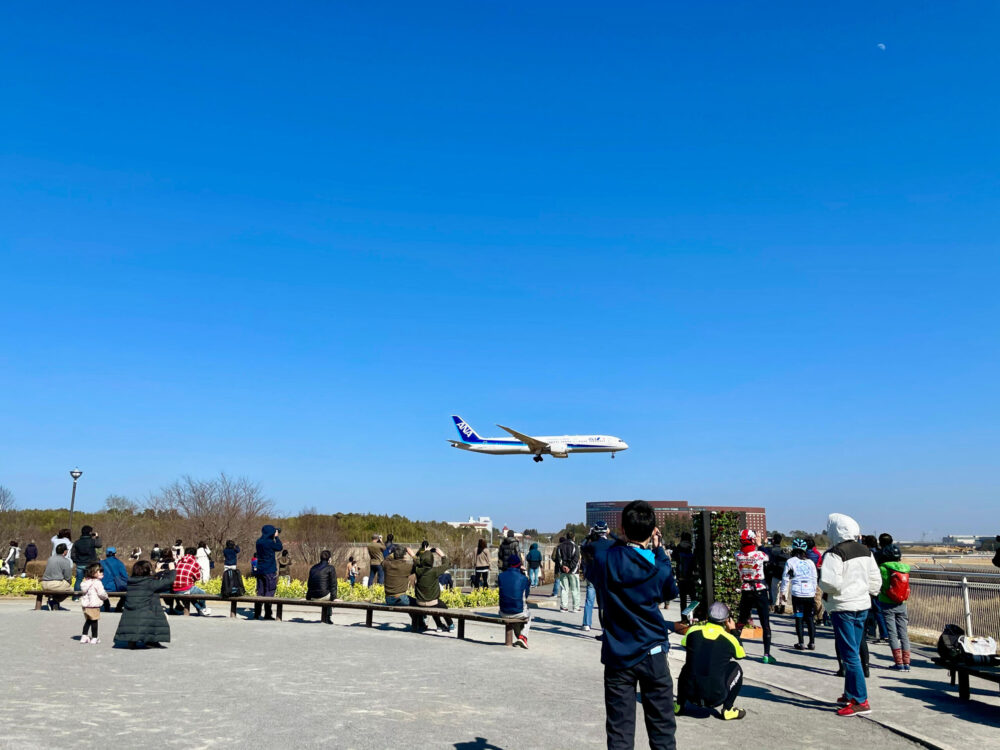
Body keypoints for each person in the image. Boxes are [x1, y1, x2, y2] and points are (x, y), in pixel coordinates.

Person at [591, 500, 678, 750]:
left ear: (621, 527)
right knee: (662, 730)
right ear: (652, 532)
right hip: (653, 654)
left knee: (619, 731)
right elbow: (668, 590)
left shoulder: (605, 559)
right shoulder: (658, 567)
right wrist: (659, 549)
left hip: (618, 655)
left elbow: (596, 548)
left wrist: (621, 538)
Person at [818, 513, 882, 717]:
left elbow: (830, 583)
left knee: (850, 654)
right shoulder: (866, 551)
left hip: (843, 606)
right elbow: (875, 581)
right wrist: (866, 593)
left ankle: (860, 700)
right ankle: (850, 693)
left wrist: (824, 587)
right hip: (862, 605)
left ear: (835, 531)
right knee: (853, 649)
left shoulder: (835, 553)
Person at [675, 602, 747, 721]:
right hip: (716, 698)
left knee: (687, 666)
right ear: (726, 620)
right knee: (736, 667)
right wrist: (733, 630)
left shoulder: (693, 631)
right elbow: (741, 655)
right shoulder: (730, 639)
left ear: (707, 617)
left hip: (690, 694)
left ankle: (679, 705)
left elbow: (684, 644)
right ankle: (728, 709)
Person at [734, 529, 776, 664]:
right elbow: (769, 557)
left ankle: (738, 649)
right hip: (759, 589)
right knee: (765, 623)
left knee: (741, 620)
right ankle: (766, 654)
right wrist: (760, 544)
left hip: (746, 589)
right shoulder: (760, 555)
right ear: (753, 540)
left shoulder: (737, 555)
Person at [114, 560, 176, 649]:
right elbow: (169, 581)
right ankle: (151, 640)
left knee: (151, 600)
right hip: (146, 613)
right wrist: (172, 570)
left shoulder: (131, 582)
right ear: (148, 571)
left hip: (129, 614)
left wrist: (156, 572)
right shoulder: (150, 583)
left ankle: (132, 640)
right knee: (156, 611)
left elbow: (146, 581)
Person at [877, 538, 912, 671]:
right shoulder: (906, 568)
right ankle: (907, 663)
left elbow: (883, 585)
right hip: (902, 602)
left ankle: (898, 663)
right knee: (903, 633)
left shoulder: (883, 568)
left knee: (892, 633)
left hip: (887, 603)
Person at [781, 539, 818, 650]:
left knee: (799, 618)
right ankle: (812, 643)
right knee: (810, 618)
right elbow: (814, 578)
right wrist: (814, 591)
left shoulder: (791, 561)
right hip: (809, 593)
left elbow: (785, 578)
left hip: (797, 593)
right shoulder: (810, 562)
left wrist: (783, 592)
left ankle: (801, 642)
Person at [383, 546, 424, 631]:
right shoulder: (406, 567)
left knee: (410, 603)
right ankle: (420, 624)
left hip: (388, 599)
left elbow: (385, 560)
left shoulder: (387, 565)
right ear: (404, 556)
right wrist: (412, 554)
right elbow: (420, 564)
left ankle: (419, 623)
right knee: (416, 603)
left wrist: (394, 553)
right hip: (400, 599)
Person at [414, 547, 453, 632]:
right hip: (432, 602)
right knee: (442, 606)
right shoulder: (435, 571)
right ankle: (451, 625)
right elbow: (446, 565)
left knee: (435, 606)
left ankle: (439, 625)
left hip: (419, 602)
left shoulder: (417, 570)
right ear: (431, 561)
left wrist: (424, 552)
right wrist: (442, 555)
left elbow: (416, 560)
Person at [498, 553, 531, 648]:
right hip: (518, 611)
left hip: (503, 611)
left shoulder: (501, 576)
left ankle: (520, 638)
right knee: (529, 615)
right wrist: (525, 575)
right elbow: (526, 595)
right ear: (519, 565)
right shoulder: (523, 578)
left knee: (515, 616)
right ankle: (523, 637)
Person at [253, 525, 282, 620]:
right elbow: (279, 547)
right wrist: (277, 537)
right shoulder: (270, 542)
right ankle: (268, 614)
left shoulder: (259, 542)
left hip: (260, 570)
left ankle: (257, 614)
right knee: (269, 591)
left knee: (260, 592)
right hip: (269, 570)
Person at [863, 535, 889, 643]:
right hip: (882, 584)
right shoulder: (881, 551)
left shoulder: (870, 554)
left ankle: (879, 633)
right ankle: (883, 633)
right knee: (880, 610)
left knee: (874, 610)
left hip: (872, 585)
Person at [173, 547, 211, 616]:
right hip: (185, 588)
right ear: (194, 554)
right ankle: (203, 608)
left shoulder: (179, 562)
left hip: (176, 589)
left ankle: (200, 609)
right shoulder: (195, 564)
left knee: (191, 596)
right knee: (203, 593)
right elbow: (198, 577)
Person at [306, 550, 339, 624]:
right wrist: (334, 598)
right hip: (324, 596)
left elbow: (309, 584)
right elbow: (333, 584)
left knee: (326, 591)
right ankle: (328, 617)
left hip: (313, 596)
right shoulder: (331, 568)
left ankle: (326, 617)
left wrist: (308, 597)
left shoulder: (313, 568)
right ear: (329, 559)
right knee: (329, 594)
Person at [79, 563, 108, 644]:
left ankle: (84, 636)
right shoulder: (97, 583)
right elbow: (101, 593)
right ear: (93, 572)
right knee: (94, 621)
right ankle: (95, 637)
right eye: (100, 571)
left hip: (85, 605)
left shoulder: (85, 582)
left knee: (88, 621)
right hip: (94, 605)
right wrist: (105, 597)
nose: (102, 572)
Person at [70, 526, 103, 593]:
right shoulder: (92, 541)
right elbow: (99, 544)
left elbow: (72, 554)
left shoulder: (77, 542)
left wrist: (76, 561)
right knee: (91, 579)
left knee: (79, 579)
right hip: (90, 564)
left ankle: (76, 596)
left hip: (80, 564)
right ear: (90, 532)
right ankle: (90, 594)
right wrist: (97, 537)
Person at [42, 543, 74, 610]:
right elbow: (68, 576)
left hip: (44, 583)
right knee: (71, 589)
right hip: (55, 584)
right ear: (65, 551)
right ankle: (55, 601)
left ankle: (54, 602)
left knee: (62, 586)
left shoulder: (50, 558)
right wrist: (69, 583)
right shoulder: (65, 561)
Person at [673, 532, 696, 621]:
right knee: (694, 599)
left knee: (683, 601)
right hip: (691, 578)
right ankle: (690, 615)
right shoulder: (691, 548)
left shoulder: (678, 549)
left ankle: (684, 618)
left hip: (681, 578)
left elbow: (674, 559)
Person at [557, 532, 581, 613]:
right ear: (573, 537)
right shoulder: (575, 546)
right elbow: (576, 558)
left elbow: (559, 558)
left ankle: (564, 607)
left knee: (564, 589)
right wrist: (570, 567)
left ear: (566, 537)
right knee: (575, 589)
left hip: (563, 570)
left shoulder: (560, 546)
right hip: (573, 571)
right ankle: (576, 607)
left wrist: (563, 566)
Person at [99, 547, 129, 613]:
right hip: (118, 588)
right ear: (115, 554)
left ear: (106, 554)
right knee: (128, 590)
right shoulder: (119, 563)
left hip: (103, 587)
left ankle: (106, 604)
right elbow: (125, 577)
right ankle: (119, 606)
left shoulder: (101, 563)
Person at [762, 533, 788, 606]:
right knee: (781, 589)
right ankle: (781, 604)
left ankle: (773, 603)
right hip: (780, 572)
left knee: (772, 589)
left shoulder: (769, 549)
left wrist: (765, 543)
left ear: (773, 540)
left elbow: (760, 549)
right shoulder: (782, 550)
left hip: (770, 571)